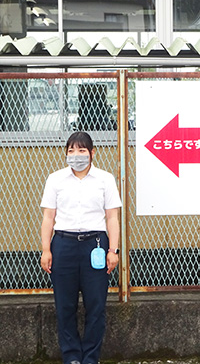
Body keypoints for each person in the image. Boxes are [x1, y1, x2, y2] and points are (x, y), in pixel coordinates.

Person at [40, 132, 122, 364]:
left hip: (94, 245)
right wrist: (46, 249)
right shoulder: (55, 179)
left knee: (95, 306)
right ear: (66, 154)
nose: (76, 156)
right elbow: (48, 217)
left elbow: (112, 218)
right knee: (65, 306)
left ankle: (90, 357)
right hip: (63, 245)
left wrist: (113, 251)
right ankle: (72, 356)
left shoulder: (105, 179)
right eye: (71, 151)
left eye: (82, 151)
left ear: (92, 153)